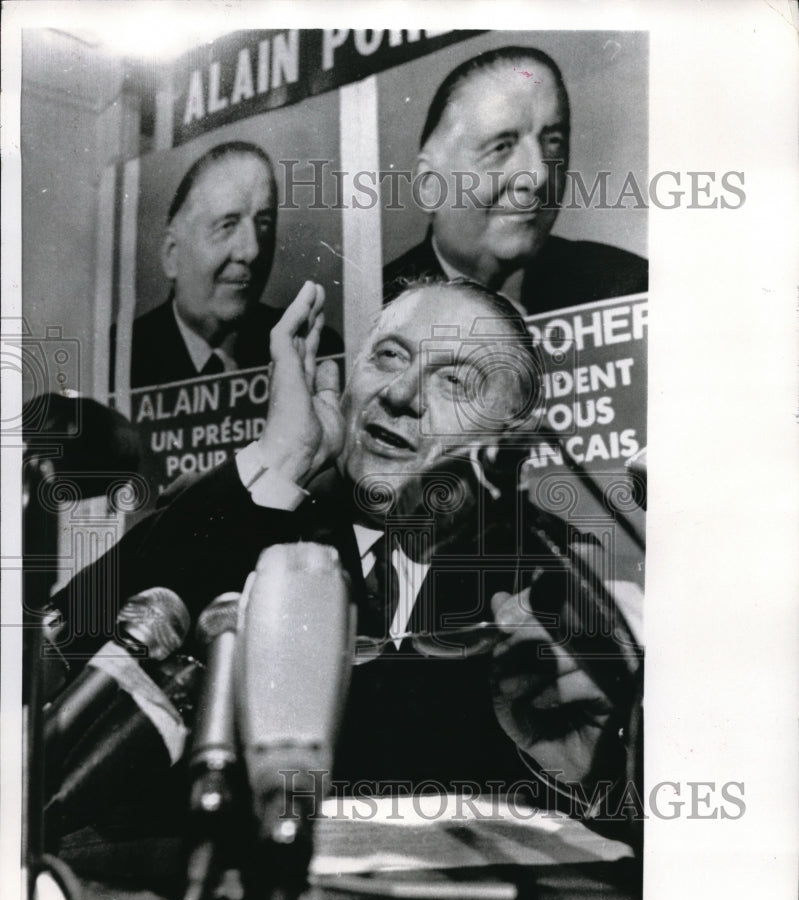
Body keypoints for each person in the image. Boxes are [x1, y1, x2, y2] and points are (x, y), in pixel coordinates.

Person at [57, 278, 639, 810]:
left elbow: (614, 796)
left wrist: (582, 773)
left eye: (456, 381)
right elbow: (59, 653)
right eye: (389, 356)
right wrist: (283, 456)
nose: (402, 393)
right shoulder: (240, 511)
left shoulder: (556, 580)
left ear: (505, 441)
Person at [383, 46, 648, 314]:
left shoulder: (628, 286)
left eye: (553, 143)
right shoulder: (375, 309)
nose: (538, 175)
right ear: (430, 187)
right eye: (501, 147)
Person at [129, 141, 340, 389]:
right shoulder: (118, 358)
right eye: (227, 225)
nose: (252, 251)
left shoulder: (313, 347)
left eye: (264, 224)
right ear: (171, 255)